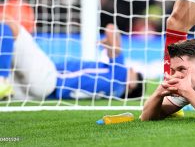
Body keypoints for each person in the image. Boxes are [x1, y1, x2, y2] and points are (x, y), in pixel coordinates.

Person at [0, 17, 144, 100]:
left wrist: (112, 46)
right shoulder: (110, 93)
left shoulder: (118, 78)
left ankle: (3, 79)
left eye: (133, 73)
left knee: (10, 26)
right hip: (40, 93)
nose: (130, 68)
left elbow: (111, 29)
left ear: (131, 85)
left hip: (49, 79)